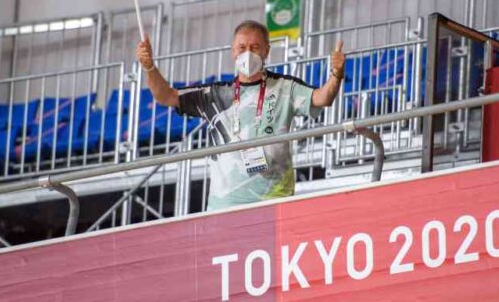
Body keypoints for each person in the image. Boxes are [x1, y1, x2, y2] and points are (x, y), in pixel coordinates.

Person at [136, 20, 345, 210]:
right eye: (242, 47)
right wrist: (149, 67)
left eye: (255, 47)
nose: (248, 53)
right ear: (233, 52)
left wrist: (336, 74)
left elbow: (321, 98)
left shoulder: (285, 87)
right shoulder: (214, 94)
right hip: (224, 207)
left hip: (274, 200)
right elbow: (167, 96)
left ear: (266, 51)